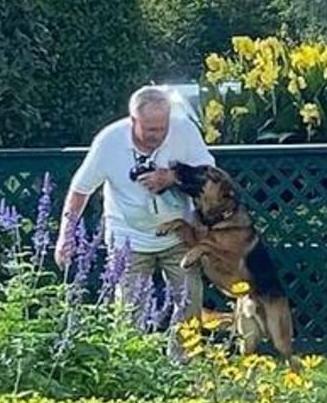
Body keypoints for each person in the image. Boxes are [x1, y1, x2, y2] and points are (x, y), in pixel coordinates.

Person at [53, 85, 215, 336]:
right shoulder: (109, 141)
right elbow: (80, 190)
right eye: (151, 129)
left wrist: (173, 176)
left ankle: (184, 370)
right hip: (128, 238)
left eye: (162, 128)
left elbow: (209, 174)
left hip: (179, 234)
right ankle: (131, 369)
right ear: (133, 121)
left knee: (189, 306)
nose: (158, 135)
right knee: (128, 315)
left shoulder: (184, 129)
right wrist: (66, 234)